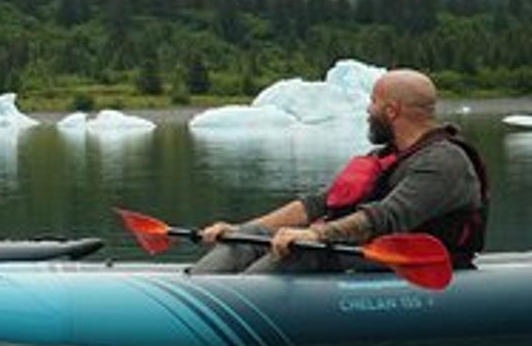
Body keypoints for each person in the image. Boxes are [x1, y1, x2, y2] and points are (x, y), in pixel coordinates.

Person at [191, 67, 489, 274]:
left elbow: (385, 217)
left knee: (302, 251)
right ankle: (197, 287)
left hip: (410, 262)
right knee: (252, 236)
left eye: (372, 102)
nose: (367, 110)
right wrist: (240, 229)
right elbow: (320, 204)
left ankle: (235, 301)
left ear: (391, 110)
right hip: (360, 252)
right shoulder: (385, 157)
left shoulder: (445, 162)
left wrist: (316, 235)